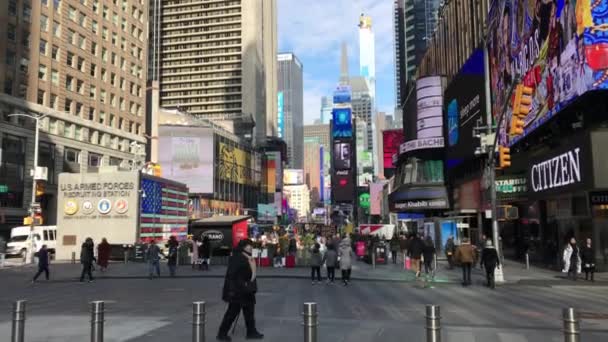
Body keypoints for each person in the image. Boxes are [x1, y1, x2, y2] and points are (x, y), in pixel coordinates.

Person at [217, 239, 264, 341]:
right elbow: (232, 275)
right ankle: (222, 334)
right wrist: (241, 284)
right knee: (231, 313)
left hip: (246, 290)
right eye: (248, 246)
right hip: (238, 291)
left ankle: (251, 332)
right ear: (243, 247)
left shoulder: (247, 257)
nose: (251, 247)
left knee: (249, 312)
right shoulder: (238, 257)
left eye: (251, 245)